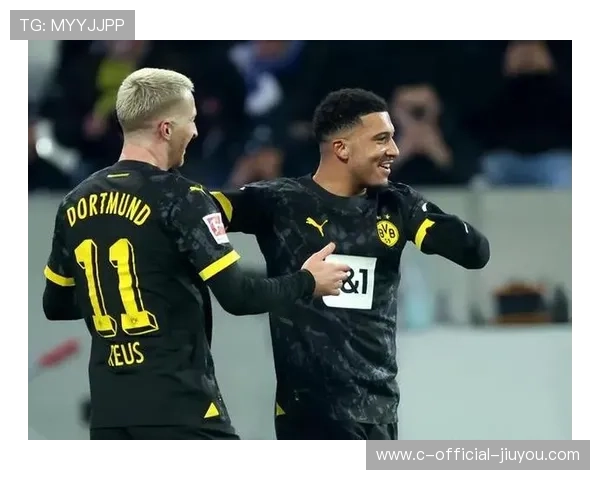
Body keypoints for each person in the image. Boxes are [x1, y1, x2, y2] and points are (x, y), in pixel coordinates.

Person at [41, 68, 350, 441]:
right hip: (179, 406)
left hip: (109, 414)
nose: (196, 131)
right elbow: (239, 296)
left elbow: (56, 305)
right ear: (166, 129)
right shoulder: (181, 197)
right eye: (191, 120)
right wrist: (308, 281)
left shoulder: (75, 202)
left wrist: (132, 286)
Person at [210, 88, 490, 440]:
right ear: (341, 149)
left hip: (379, 411)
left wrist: (428, 220)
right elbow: (200, 208)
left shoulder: (396, 205)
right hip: (309, 414)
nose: (395, 150)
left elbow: (476, 253)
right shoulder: (281, 202)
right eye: (381, 139)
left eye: (392, 138)